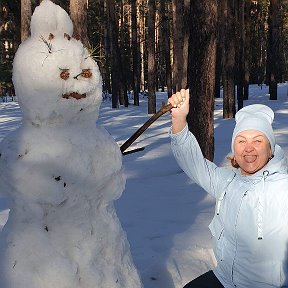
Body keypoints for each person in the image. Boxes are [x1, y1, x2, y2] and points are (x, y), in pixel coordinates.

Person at [168, 89, 288, 288]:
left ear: (270, 149)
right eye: (241, 141)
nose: (248, 148)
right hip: (224, 278)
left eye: (258, 140)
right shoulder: (227, 181)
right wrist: (179, 120)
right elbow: (193, 163)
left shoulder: (282, 189)